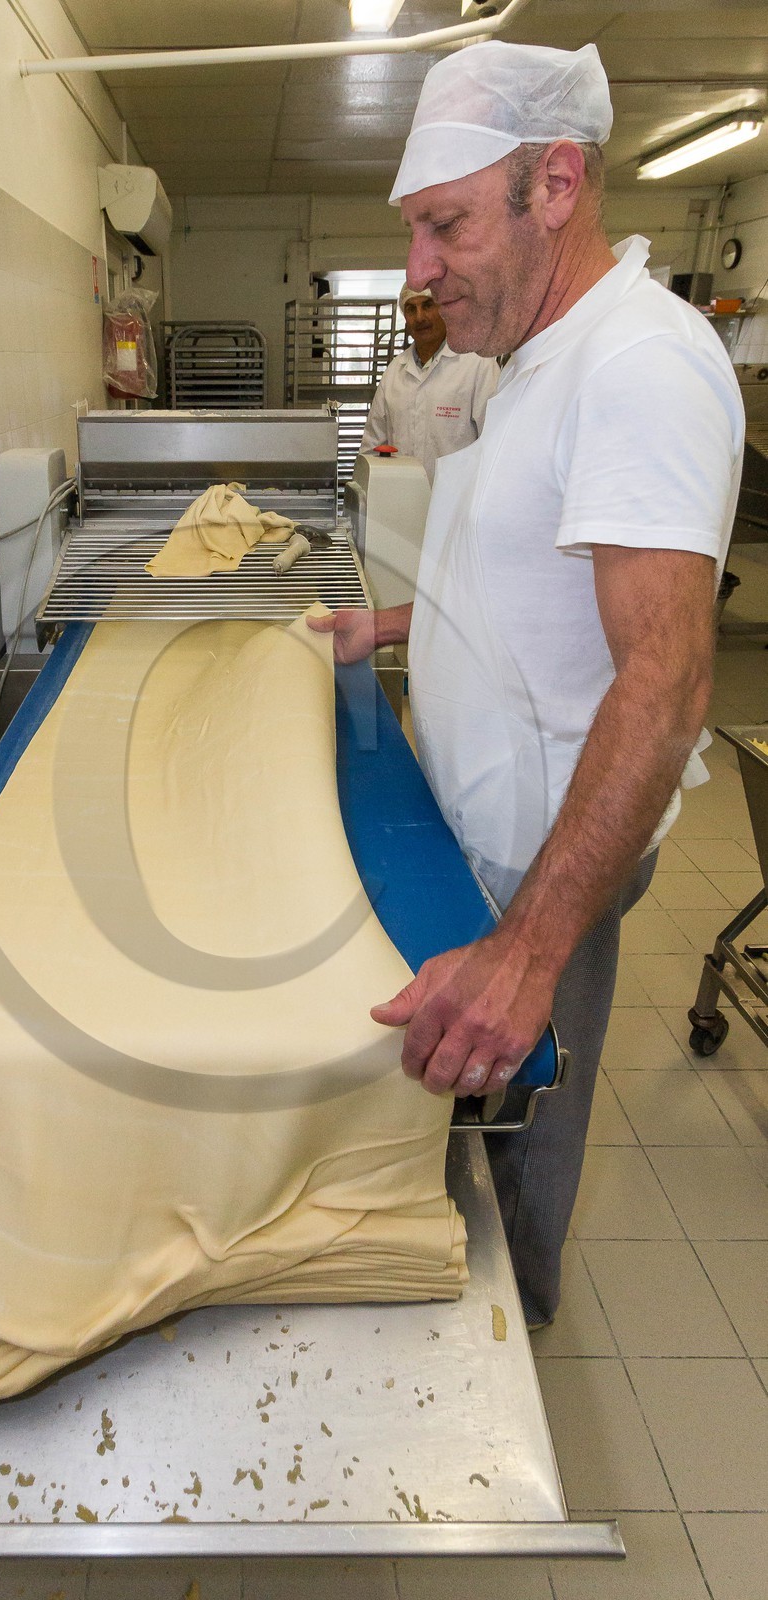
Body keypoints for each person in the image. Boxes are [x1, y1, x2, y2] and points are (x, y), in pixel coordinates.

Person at [311, 40, 743, 1327]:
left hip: (544, 863)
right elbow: (528, 591)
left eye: (444, 226)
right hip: (481, 842)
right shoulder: (535, 366)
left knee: (511, 1142)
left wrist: (525, 950)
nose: (420, 273)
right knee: (457, 1131)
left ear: (555, 185)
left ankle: (504, 1346)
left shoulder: (637, 368)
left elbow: (662, 684)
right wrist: (389, 624)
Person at [361, 284, 497, 483]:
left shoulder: (478, 365)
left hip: (457, 503)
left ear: (443, 308)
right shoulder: (394, 372)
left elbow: (495, 443)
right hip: (401, 501)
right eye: (411, 309)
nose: (420, 317)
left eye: (427, 305)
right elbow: (373, 448)